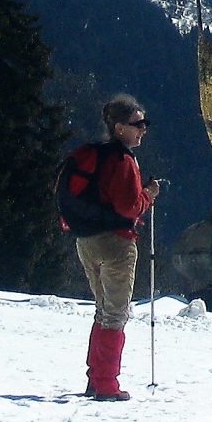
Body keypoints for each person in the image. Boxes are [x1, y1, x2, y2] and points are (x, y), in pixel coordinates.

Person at [56, 94, 162, 402]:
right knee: (115, 314)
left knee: (102, 311)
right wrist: (149, 195)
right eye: (137, 124)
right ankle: (105, 383)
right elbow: (129, 207)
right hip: (116, 243)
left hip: (86, 240)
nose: (143, 129)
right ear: (119, 128)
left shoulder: (95, 155)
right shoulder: (123, 161)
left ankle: (96, 378)